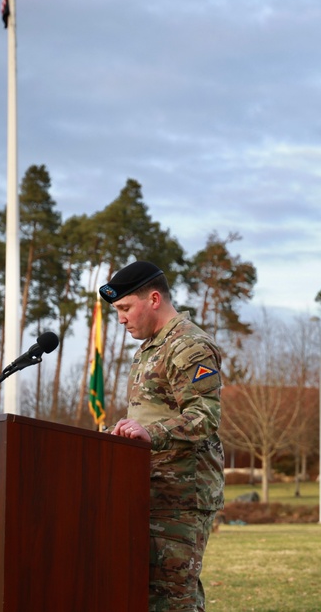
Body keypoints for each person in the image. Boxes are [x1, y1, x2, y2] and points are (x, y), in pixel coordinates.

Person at [104, 260, 225, 612]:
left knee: (172, 599)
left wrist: (149, 433)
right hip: (150, 487)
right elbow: (149, 414)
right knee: (147, 594)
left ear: (154, 299)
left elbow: (205, 417)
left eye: (125, 308)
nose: (121, 319)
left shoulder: (190, 346)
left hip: (183, 493)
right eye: (117, 311)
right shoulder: (149, 348)